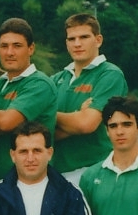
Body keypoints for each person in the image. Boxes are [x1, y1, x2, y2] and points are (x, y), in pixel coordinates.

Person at [51, 14, 128, 184]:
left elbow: (86, 124)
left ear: (98, 40)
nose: (77, 43)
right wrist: (77, 115)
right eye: (72, 39)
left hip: (94, 172)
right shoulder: (56, 80)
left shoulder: (110, 74)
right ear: (66, 43)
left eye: (84, 37)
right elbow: (41, 131)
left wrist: (51, 116)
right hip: (56, 174)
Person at [0, 18, 57, 182]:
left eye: (17, 46)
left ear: (31, 49)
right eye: (4, 46)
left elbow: (6, 123)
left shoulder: (39, 83)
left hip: (29, 183)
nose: (9, 52)